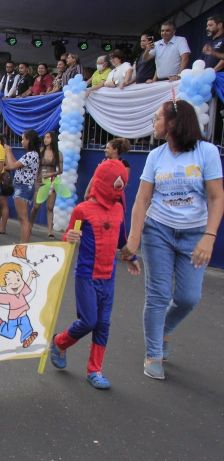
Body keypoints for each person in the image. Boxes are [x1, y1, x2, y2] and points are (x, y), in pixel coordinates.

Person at [122, 100, 223, 380]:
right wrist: (133, 241)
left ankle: (163, 329)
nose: (153, 123)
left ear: (174, 123)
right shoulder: (156, 156)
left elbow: (216, 197)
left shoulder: (207, 152)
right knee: (158, 295)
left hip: (195, 233)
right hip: (159, 231)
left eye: (157, 118)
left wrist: (209, 237)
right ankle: (154, 352)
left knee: (189, 297)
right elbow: (142, 200)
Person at [49, 159, 141, 389]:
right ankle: (59, 342)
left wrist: (130, 257)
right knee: (89, 321)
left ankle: (94, 370)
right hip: (87, 276)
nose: (119, 187)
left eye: (122, 183)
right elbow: (70, 235)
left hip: (108, 277)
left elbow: (121, 239)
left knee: (103, 324)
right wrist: (68, 236)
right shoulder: (83, 209)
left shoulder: (119, 209)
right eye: (115, 182)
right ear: (102, 182)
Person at [3, 129, 40, 243]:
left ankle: (23, 245)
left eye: (23, 139)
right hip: (25, 187)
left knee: (23, 219)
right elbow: (17, 165)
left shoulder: (30, 155)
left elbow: (11, 166)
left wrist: (8, 152)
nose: (22, 141)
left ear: (29, 140)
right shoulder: (32, 155)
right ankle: (23, 243)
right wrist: (11, 154)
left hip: (22, 187)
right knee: (23, 218)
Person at [31, 131, 62, 238]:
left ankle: (50, 231)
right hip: (39, 181)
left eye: (48, 137)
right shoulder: (40, 151)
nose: (45, 139)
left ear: (52, 139)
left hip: (51, 181)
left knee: (50, 207)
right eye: (45, 137)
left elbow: (60, 170)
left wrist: (50, 174)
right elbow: (35, 167)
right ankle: (29, 225)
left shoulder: (58, 153)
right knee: (36, 206)